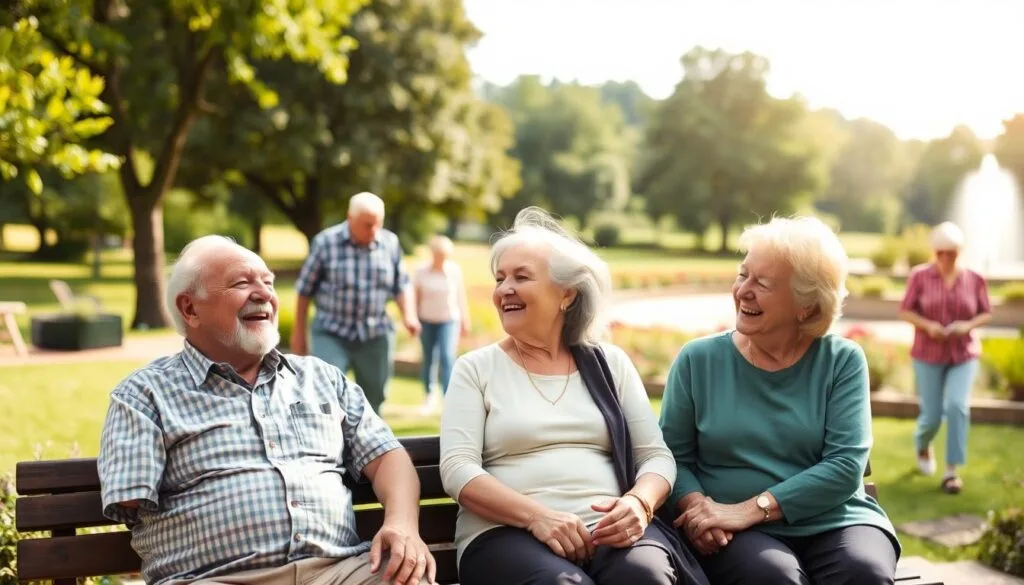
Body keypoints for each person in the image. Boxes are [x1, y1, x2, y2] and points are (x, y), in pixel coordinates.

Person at [98, 236, 436, 585]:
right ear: (190, 309)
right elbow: (130, 500)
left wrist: (401, 524)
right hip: (213, 578)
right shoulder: (144, 395)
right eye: (242, 283)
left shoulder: (321, 378)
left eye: (268, 282)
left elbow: (388, 457)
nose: (263, 294)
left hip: (335, 572)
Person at [439, 207, 708, 585]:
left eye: (521, 276)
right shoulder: (476, 369)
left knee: (645, 576)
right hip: (506, 534)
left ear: (566, 294)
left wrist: (639, 503)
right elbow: (457, 471)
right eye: (500, 279)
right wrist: (538, 517)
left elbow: (656, 457)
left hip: (608, 530)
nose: (504, 290)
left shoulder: (610, 363)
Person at [659, 216, 901, 585]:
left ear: (806, 305)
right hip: (735, 532)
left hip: (836, 520)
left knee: (863, 573)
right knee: (772, 578)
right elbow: (672, 456)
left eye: (763, 283)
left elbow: (843, 466)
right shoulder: (698, 360)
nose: (743, 291)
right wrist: (699, 510)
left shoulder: (842, 361)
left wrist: (750, 510)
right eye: (743, 275)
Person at [291, 192, 421, 414]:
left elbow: (402, 284)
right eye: (367, 225)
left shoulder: (389, 243)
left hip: (374, 334)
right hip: (331, 330)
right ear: (350, 218)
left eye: (377, 224)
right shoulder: (326, 243)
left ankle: (369, 446)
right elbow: (304, 291)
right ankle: (329, 442)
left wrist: (409, 314)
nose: (373, 231)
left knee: (374, 398)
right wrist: (299, 333)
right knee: (325, 392)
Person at [898, 221, 992, 494]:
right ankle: (922, 443)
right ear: (934, 252)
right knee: (931, 416)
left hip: (963, 354)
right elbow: (905, 311)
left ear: (960, 252)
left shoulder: (974, 278)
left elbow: (986, 312)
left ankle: (951, 472)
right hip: (928, 354)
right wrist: (928, 326)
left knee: (957, 407)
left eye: (951, 253)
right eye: (941, 253)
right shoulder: (920, 276)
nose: (946, 259)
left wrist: (967, 326)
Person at [413, 235, 471, 413]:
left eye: (445, 255)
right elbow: (415, 297)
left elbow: (460, 296)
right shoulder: (421, 271)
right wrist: (413, 319)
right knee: (429, 358)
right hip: (426, 321)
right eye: (439, 254)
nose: (442, 258)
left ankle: (448, 397)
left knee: (447, 357)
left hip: (448, 320)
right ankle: (429, 396)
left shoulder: (454, 271)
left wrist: (465, 320)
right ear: (433, 253)